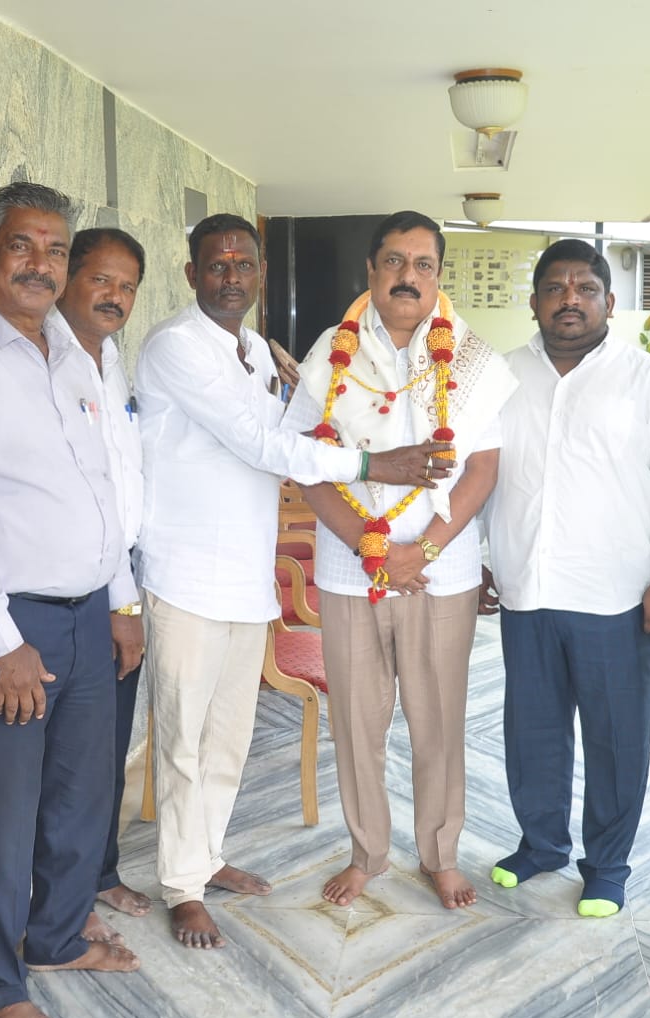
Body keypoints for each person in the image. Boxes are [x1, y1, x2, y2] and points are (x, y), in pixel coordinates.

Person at [134, 213, 451, 949]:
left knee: (228, 738)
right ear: (192, 273)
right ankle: (181, 885)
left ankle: (207, 856)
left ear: (260, 273)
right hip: (185, 575)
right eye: (217, 264)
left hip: (247, 577)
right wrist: (376, 464)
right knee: (182, 740)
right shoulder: (176, 346)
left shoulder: (254, 351)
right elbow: (261, 445)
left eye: (244, 264)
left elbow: (295, 435)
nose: (232, 276)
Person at [0, 182, 142, 1018]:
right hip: (13, 626)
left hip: (91, 615)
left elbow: (104, 491)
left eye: (54, 250)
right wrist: (1, 640)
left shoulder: (75, 357)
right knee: (2, 812)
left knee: (82, 800)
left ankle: (54, 939)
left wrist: (121, 600)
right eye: (22, 245)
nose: (39, 265)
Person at [284, 210, 516, 910]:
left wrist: (424, 550)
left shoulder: (472, 361)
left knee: (437, 721)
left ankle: (440, 855)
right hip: (350, 570)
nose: (407, 277)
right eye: (394, 262)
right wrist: (371, 547)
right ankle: (368, 854)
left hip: (440, 573)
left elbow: (483, 468)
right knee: (357, 724)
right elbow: (305, 463)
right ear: (371, 271)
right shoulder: (331, 351)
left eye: (422, 265)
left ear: (438, 275)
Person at [480, 239, 650, 917]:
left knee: (615, 737)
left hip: (616, 595)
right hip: (528, 588)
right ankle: (541, 844)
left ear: (609, 301)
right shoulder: (501, 377)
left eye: (585, 288)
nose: (569, 300)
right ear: (534, 301)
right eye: (555, 288)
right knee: (532, 731)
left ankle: (607, 865)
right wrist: (482, 555)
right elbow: (481, 472)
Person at [51, 228, 151, 940]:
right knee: (70, 760)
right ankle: (62, 897)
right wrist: (122, 603)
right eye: (101, 279)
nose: (115, 296)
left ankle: (100, 871)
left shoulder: (112, 361)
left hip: (121, 577)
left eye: (127, 286)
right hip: (76, 589)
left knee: (107, 746)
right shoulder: (47, 361)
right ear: (67, 278)